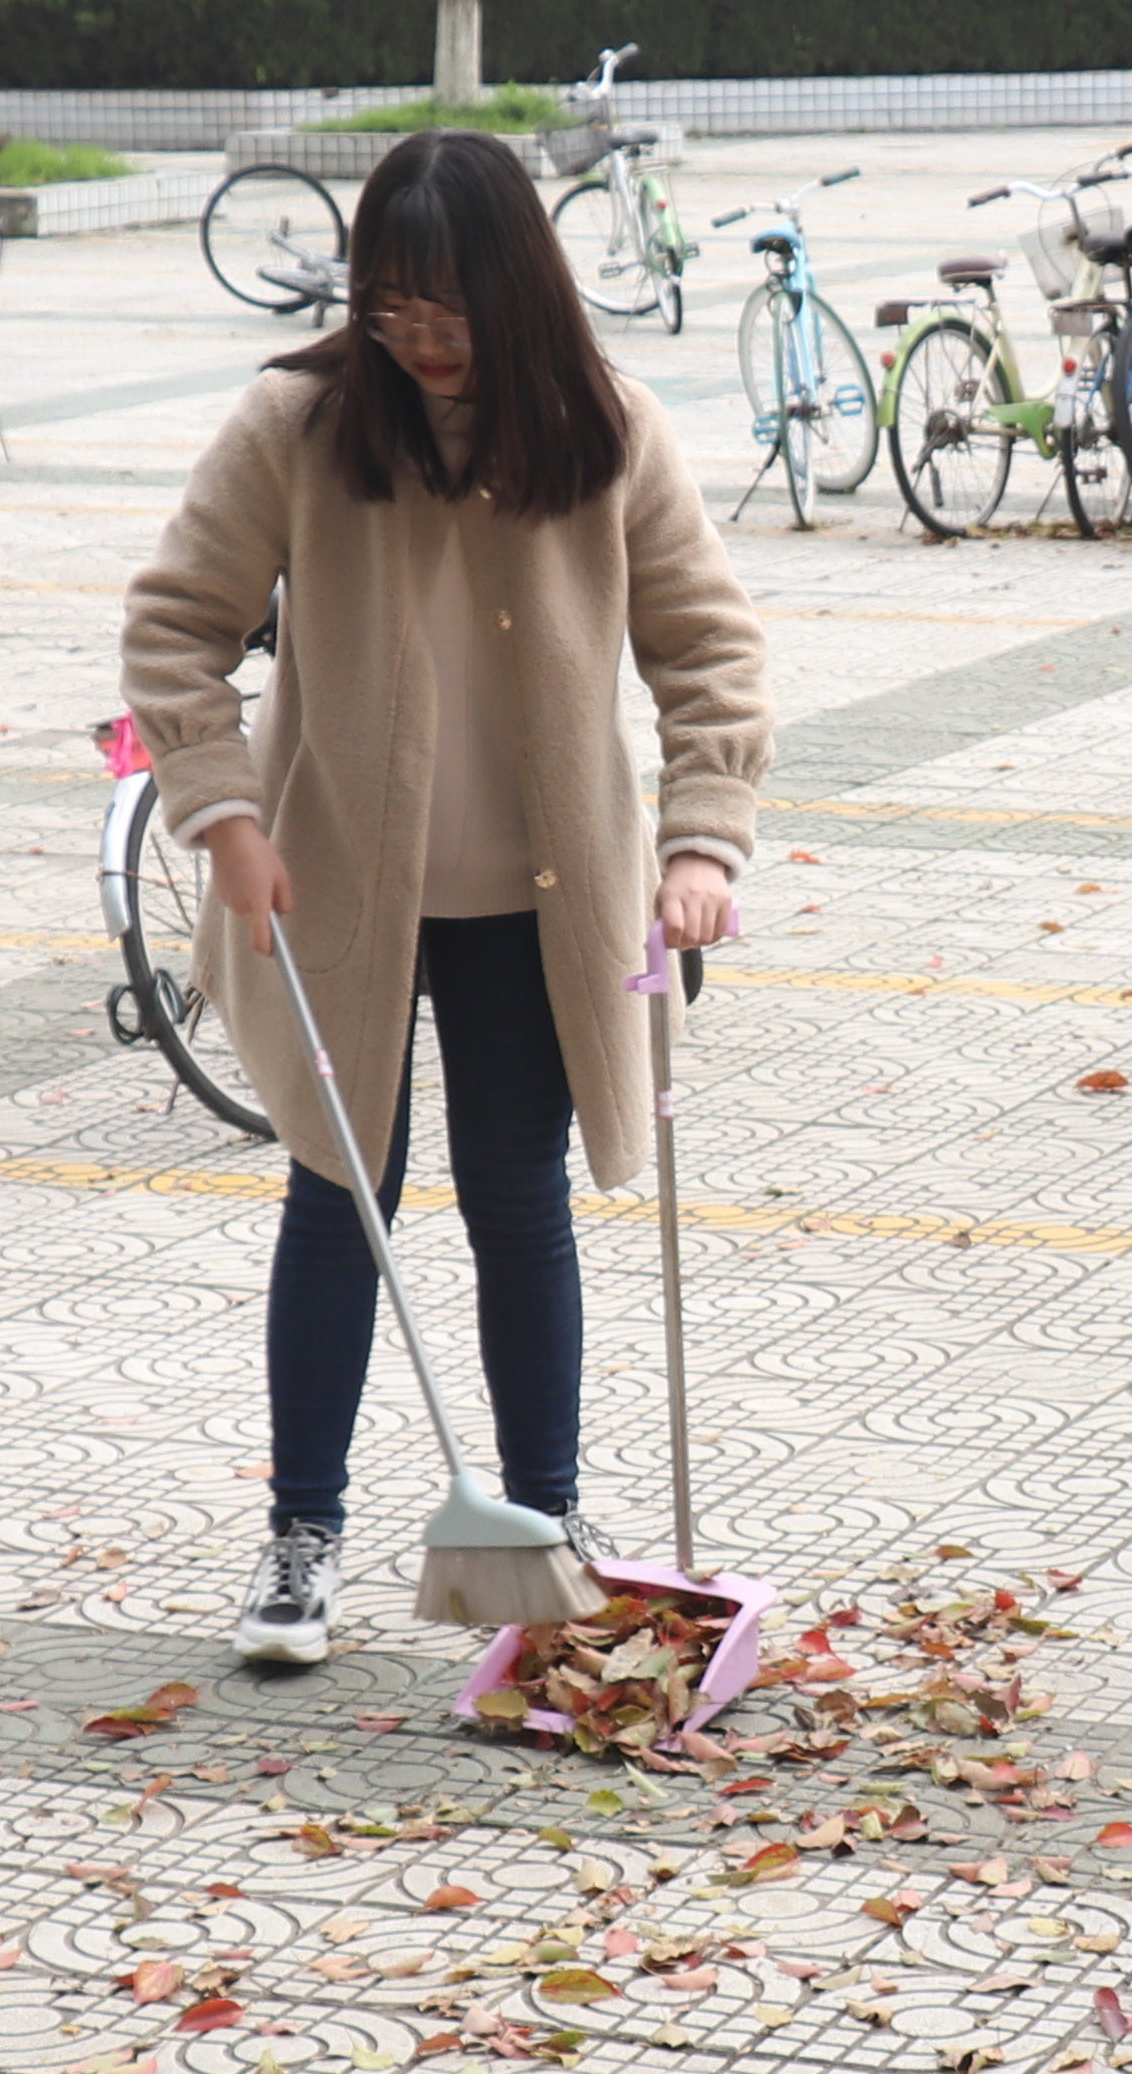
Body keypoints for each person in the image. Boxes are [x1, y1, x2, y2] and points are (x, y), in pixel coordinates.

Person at [121, 131, 772, 1667]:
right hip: (339, 880)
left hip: (534, 901)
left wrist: (701, 840)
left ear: (517, 289)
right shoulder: (299, 421)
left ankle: (543, 1526)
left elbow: (709, 647)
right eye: (393, 308)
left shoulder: (608, 425)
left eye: (449, 312)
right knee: (341, 1191)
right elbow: (173, 628)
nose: (419, 341)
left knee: (517, 1196)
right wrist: (218, 813)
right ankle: (303, 1532)